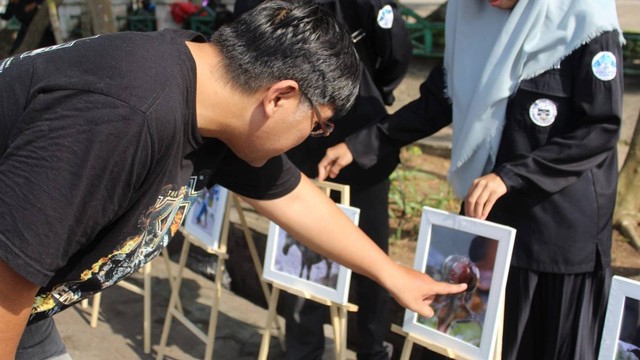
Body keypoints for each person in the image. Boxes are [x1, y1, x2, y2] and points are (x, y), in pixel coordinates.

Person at [0, 1, 466, 359]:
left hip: (29, 306)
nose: (317, 138)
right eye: (319, 125)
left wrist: (389, 272)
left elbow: (293, 196)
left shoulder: (216, 98)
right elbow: (6, 280)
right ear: (281, 97)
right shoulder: (125, 116)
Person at [317, 0, 624, 359]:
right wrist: (364, 144)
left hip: (557, 230)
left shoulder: (585, 21)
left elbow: (600, 128)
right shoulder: (469, 13)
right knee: (486, 341)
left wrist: (511, 177)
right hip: (491, 220)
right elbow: (441, 100)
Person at [236, 1, 411, 359]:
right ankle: (303, 349)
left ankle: (373, 349)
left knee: (371, 254)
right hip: (293, 143)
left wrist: (370, 96)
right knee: (302, 251)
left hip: (360, 144)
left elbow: (395, 53)